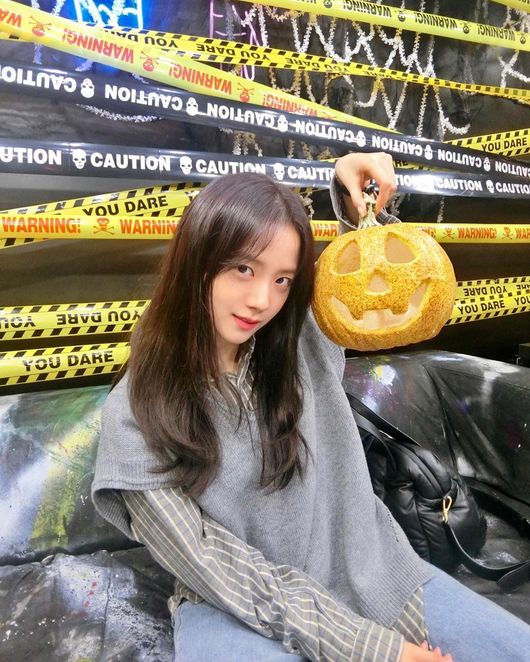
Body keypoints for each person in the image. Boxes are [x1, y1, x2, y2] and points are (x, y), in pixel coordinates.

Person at [92, 152, 530, 662]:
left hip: (369, 571)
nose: (261, 300)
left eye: (282, 279)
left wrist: (356, 201)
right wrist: (375, 650)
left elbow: (364, 279)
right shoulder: (135, 416)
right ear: (196, 260)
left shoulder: (299, 340)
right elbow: (215, 567)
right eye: (242, 268)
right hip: (235, 607)